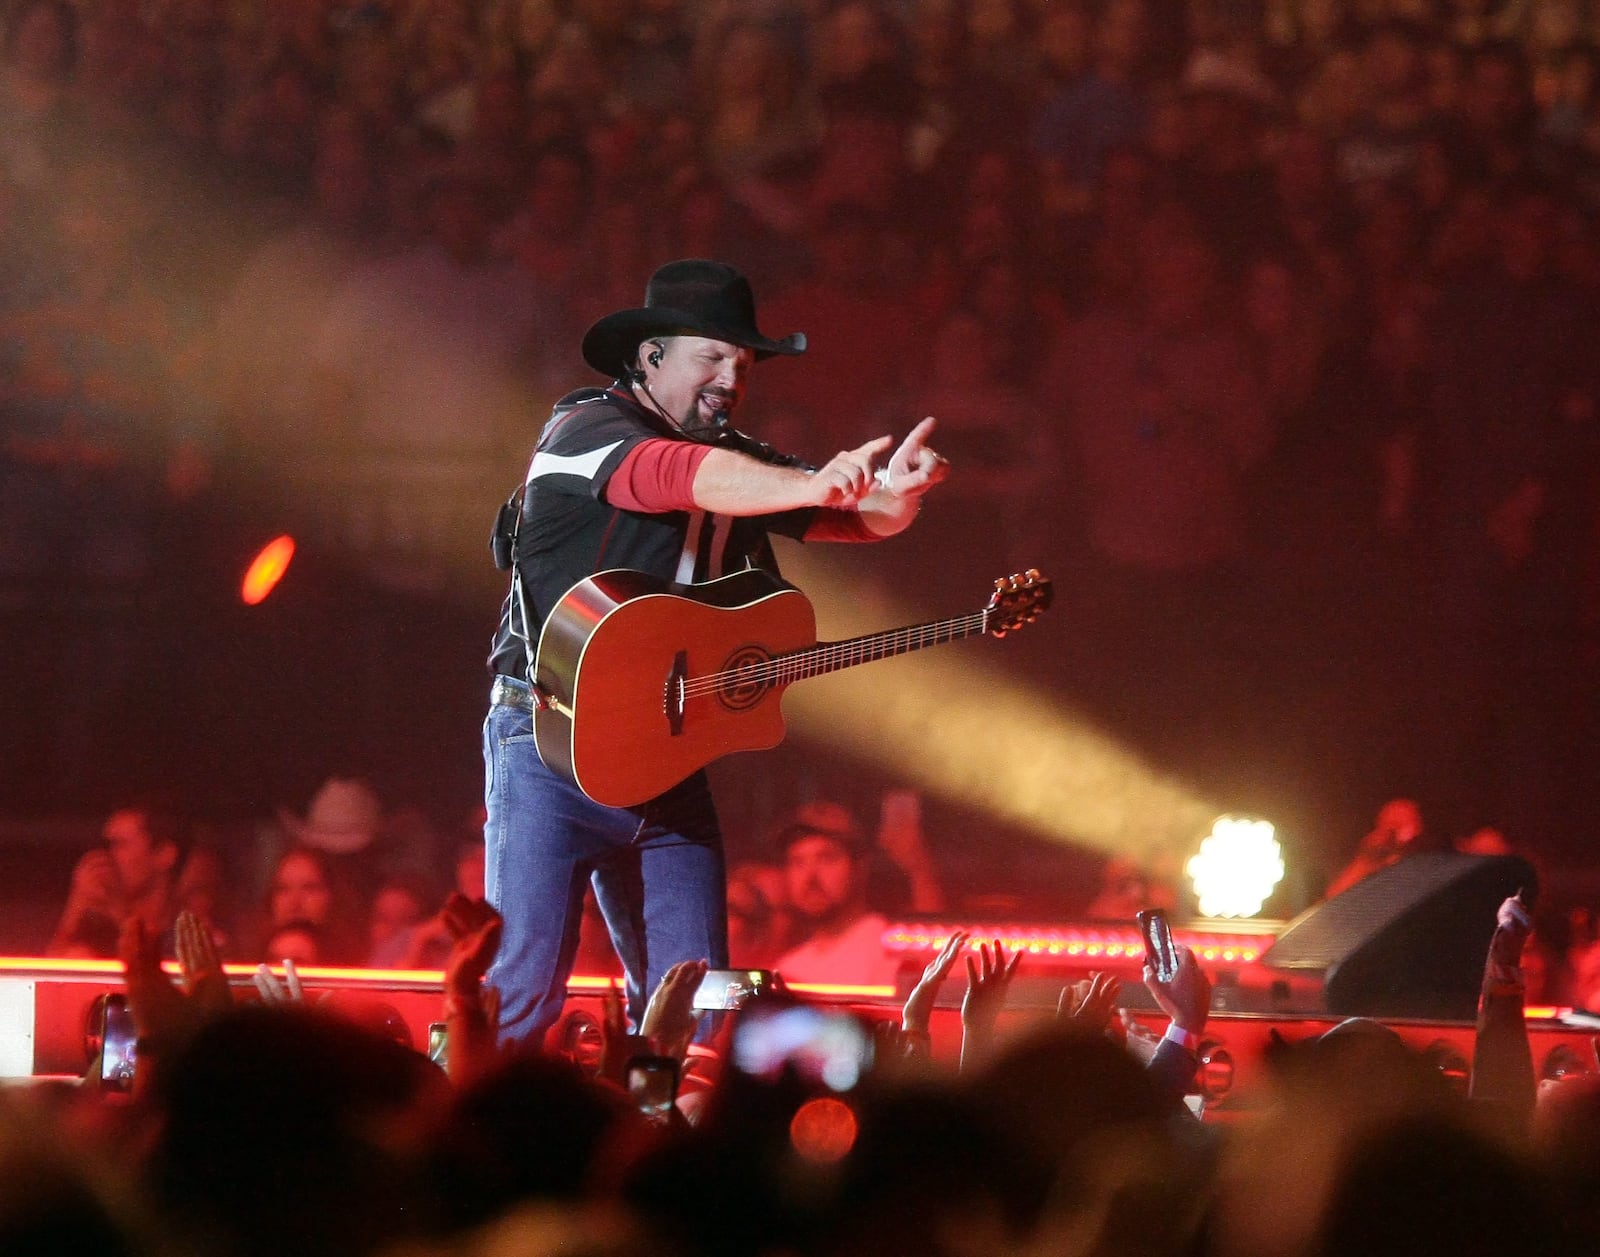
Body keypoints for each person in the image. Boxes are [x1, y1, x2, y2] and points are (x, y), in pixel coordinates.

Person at [482, 257, 948, 1050]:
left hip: (666, 758)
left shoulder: (735, 456)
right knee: (525, 990)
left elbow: (846, 513)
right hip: (547, 747)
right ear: (651, 356)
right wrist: (809, 486)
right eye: (713, 356)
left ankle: (667, 1142)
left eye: (743, 362)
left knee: (697, 1004)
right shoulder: (584, 427)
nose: (732, 376)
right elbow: (680, 477)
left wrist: (895, 499)